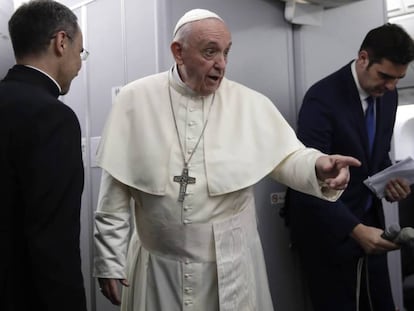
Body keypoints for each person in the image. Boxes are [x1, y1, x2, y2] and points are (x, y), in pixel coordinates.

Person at [93, 8, 360, 311]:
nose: (221, 64)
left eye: (226, 53)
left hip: (231, 267)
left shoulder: (250, 103)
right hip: (158, 266)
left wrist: (318, 165)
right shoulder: (134, 100)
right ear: (178, 52)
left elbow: (287, 156)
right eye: (210, 52)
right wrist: (108, 260)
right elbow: (114, 192)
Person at [285, 23, 414, 311]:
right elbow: (307, 178)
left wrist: (391, 182)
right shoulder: (322, 98)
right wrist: (353, 229)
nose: (392, 86)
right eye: (385, 76)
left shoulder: (388, 96)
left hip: (370, 224)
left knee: (381, 304)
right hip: (329, 230)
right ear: (363, 58)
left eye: (398, 78)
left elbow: (376, 156)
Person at [0, 1, 88, 310]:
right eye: (80, 52)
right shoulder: (53, 118)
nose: (79, 65)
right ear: (61, 42)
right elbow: (54, 242)